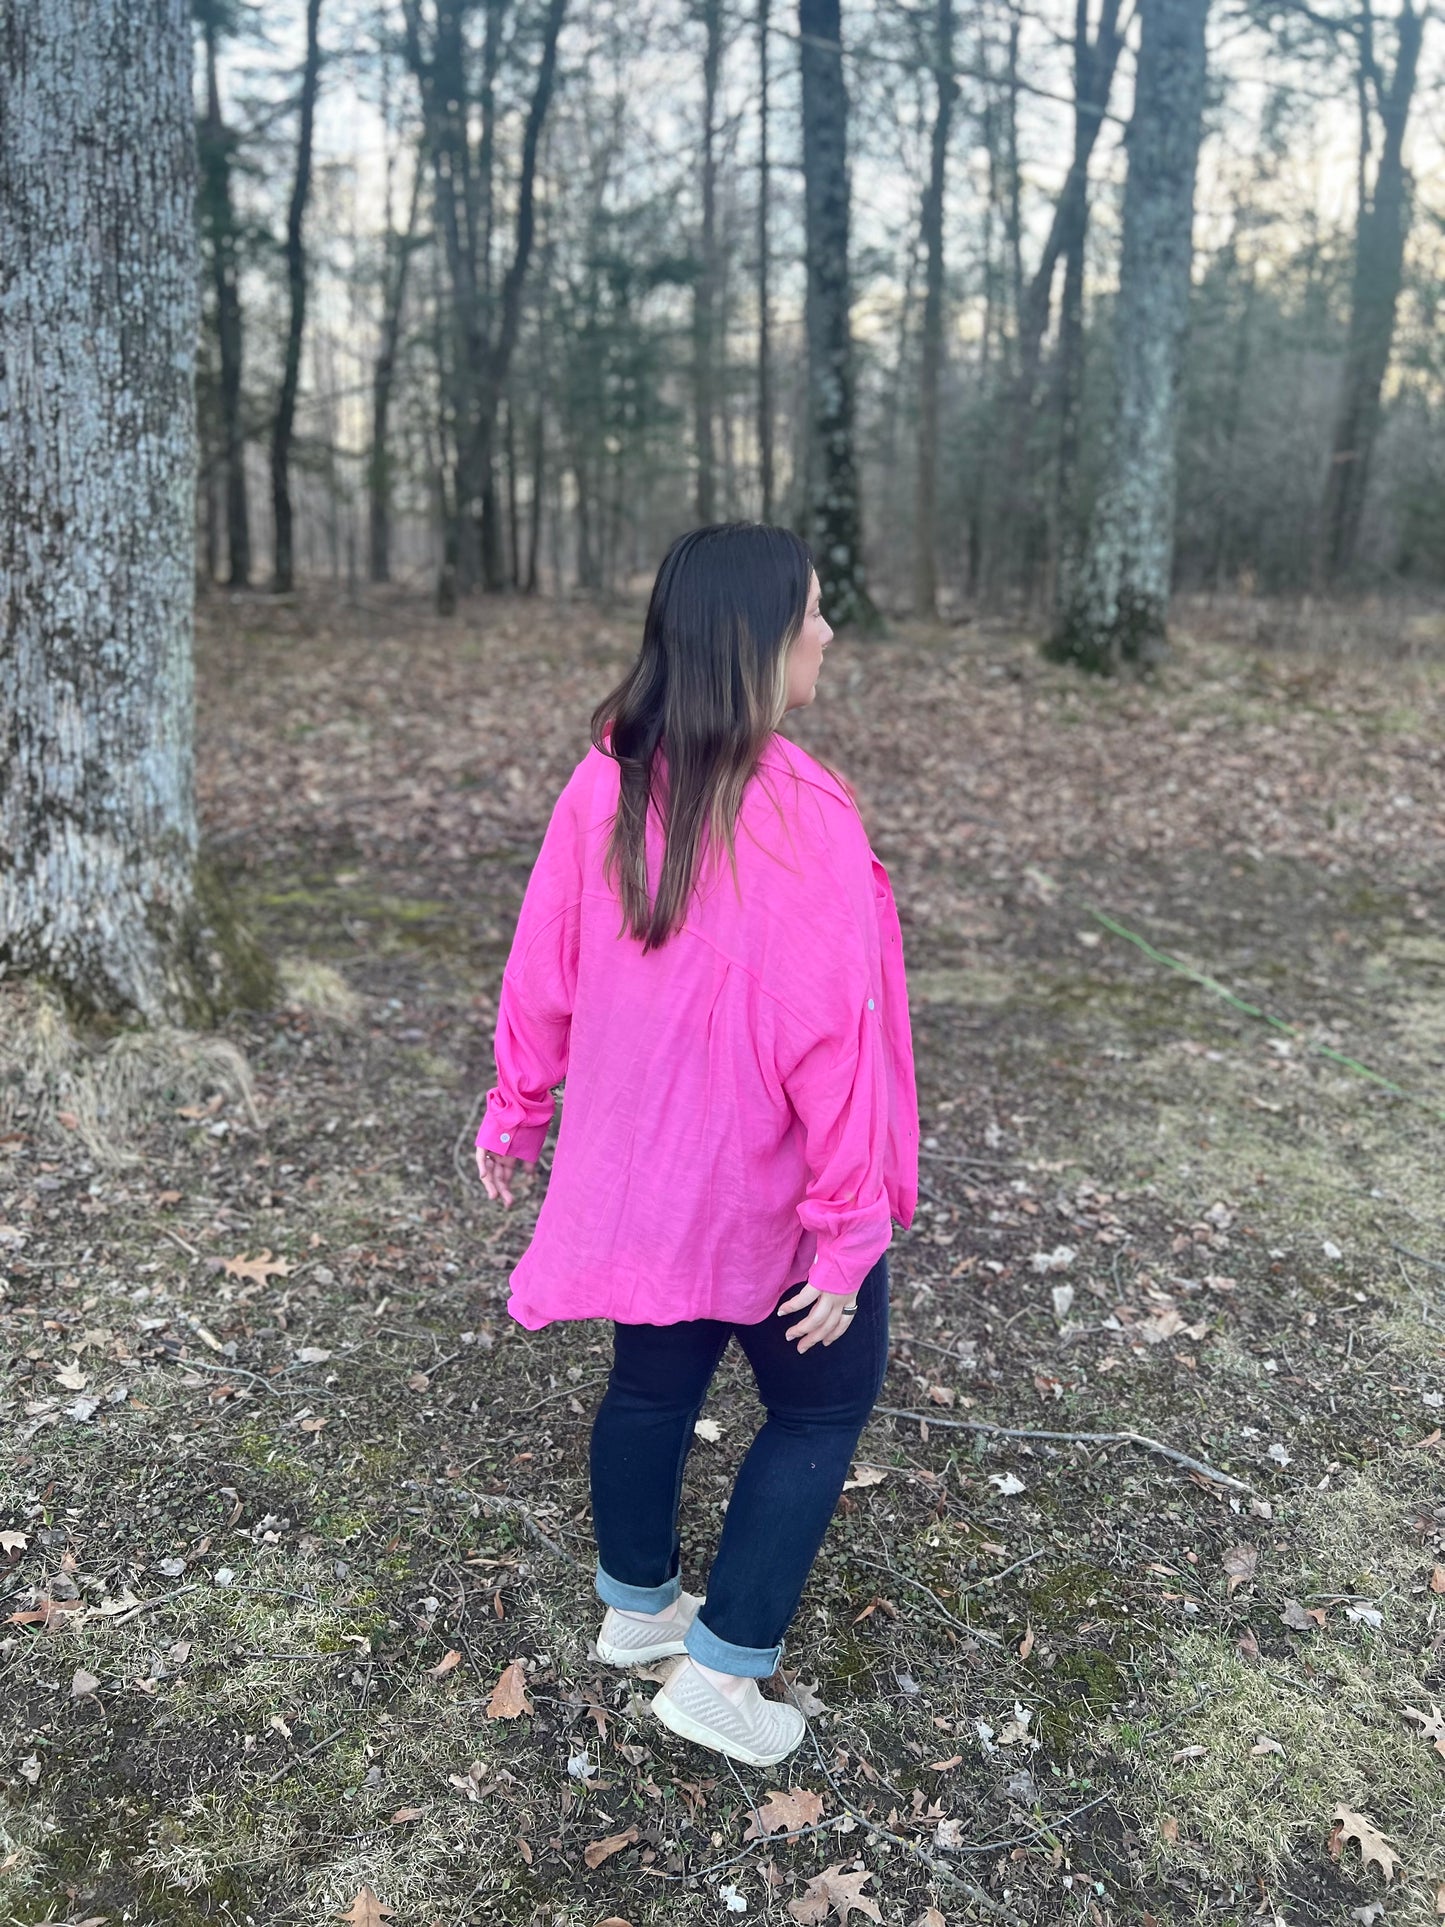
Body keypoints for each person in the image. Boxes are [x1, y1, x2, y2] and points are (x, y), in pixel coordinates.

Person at [475, 524, 918, 1767]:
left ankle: (634, 1606)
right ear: (757, 638)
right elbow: (839, 1035)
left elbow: (538, 966)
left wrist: (517, 1106)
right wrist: (845, 1229)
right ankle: (720, 1671)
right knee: (821, 1412)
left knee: (653, 1384)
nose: (829, 632)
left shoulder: (605, 776)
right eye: (814, 613)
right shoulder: (805, 812)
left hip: (648, 1179)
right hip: (774, 1195)